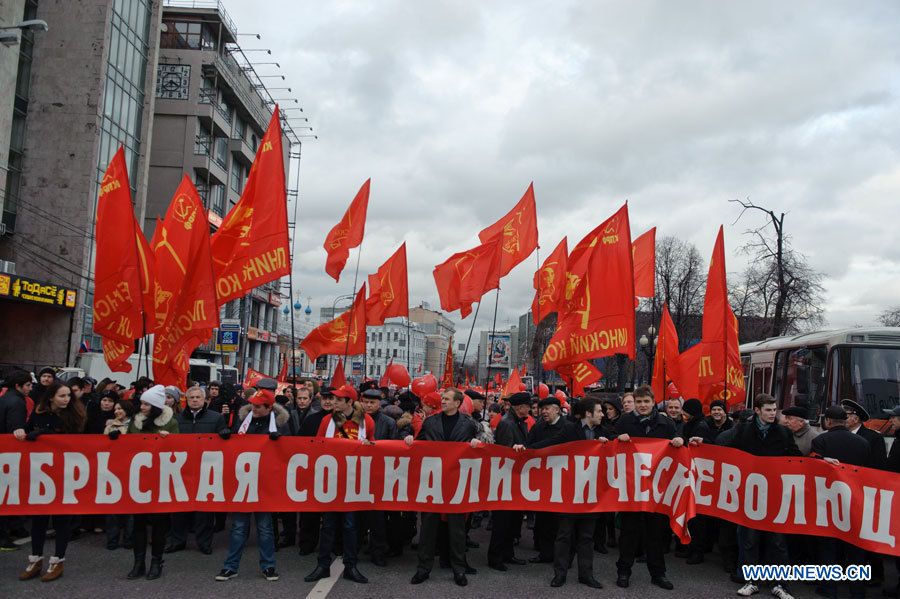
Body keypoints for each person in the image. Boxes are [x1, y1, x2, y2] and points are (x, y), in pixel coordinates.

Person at [615, 385, 693, 591]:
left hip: (657, 491)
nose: (642, 406)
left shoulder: (666, 423)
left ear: (653, 402)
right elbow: (609, 448)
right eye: (638, 402)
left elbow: (679, 441)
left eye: (646, 402)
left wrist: (680, 440)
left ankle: (658, 573)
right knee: (629, 533)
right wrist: (617, 439)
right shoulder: (624, 421)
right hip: (632, 489)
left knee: (656, 534)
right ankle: (623, 571)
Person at [407, 388, 482, 587]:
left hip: (457, 482)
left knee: (457, 529)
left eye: (447, 399)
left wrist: (477, 443)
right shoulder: (431, 422)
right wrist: (410, 441)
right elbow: (420, 444)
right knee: (428, 527)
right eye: (442, 398)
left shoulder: (469, 424)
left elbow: (482, 445)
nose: (443, 401)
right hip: (433, 482)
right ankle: (423, 568)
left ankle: (459, 569)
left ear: (457, 403)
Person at [727, 394, 799, 599]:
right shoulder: (743, 431)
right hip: (750, 494)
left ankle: (780, 584)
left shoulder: (784, 433)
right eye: (768, 410)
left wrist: (821, 461)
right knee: (749, 540)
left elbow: (795, 458)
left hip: (776, 495)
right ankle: (751, 581)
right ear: (757, 410)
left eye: (774, 409)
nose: (772, 413)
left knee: (778, 542)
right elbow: (728, 455)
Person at [215, 386, 289, 583]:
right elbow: (233, 441)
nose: (254, 409)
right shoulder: (243, 420)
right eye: (253, 405)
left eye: (258, 406)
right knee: (239, 527)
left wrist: (281, 441)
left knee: (265, 528)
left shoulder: (280, 425)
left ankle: (268, 566)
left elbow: (290, 452)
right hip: (244, 483)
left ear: (269, 408)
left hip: (266, 484)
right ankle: (230, 567)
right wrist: (225, 434)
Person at [13, 381, 85, 582]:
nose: (67, 399)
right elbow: (26, 432)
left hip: (65, 474)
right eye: (62, 396)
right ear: (51, 397)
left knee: (61, 520)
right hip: (41, 474)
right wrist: (20, 431)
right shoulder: (38, 413)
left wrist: (44, 435)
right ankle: (35, 560)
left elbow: (76, 441)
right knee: (39, 520)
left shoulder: (74, 416)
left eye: (68, 396)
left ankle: (58, 561)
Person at [305, 385, 374, 584]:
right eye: (333, 399)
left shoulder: (365, 421)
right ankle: (323, 566)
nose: (333, 402)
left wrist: (370, 446)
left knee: (351, 526)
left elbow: (374, 445)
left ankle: (351, 566)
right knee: (328, 525)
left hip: (353, 481)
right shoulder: (327, 420)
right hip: (331, 480)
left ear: (349, 402)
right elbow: (317, 445)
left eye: (338, 399)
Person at [809, 406, 871, 599]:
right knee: (855, 549)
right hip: (855, 501)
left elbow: (812, 469)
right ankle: (857, 590)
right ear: (845, 421)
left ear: (827, 421)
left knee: (828, 547)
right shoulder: (863, 443)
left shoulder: (820, 440)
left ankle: (829, 588)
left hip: (827, 501)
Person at [548, 396, 607, 589]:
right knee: (564, 535)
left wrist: (616, 441)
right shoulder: (569, 429)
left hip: (591, 495)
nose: (602, 414)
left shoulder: (604, 432)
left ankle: (586, 575)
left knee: (587, 537)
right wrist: (526, 450)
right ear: (588, 413)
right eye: (599, 411)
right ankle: (560, 574)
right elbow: (551, 445)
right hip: (570, 493)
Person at [126, 385, 179, 580]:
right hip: (139, 479)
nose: (142, 407)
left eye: (146, 404)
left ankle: (156, 561)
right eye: (141, 403)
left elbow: (179, 450)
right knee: (138, 524)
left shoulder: (171, 423)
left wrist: (169, 440)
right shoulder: (136, 422)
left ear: (156, 406)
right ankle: (138, 562)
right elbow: (127, 444)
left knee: (159, 525)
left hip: (161, 480)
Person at [166, 385, 227, 555]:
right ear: (187, 399)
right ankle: (178, 540)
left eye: (197, 398)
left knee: (204, 511)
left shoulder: (216, 418)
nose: (194, 400)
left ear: (205, 400)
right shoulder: (176, 419)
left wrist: (224, 433)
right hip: (182, 469)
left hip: (205, 469)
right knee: (179, 509)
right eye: (191, 397)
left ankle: (204, 542)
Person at [841, 398, 888, 586]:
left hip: (865, 491)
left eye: (847, 415)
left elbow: (878, 466)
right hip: (846, 490)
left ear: (856, 418)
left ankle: (875, 573)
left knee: (868, 534)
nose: (844, 418)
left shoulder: (873, 437)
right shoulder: (842, 435)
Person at [488, 392, 532, 571]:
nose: (529, 408)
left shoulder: (518, 422)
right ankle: (495, 557)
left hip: (515, 479)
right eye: (527, 405)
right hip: (507, 480)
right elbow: (504, 453)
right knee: (502, 522)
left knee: (512, 521)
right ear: (518, 407)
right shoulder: (507, 423)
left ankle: (508, 554)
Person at [359, 387, 398, 567]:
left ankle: (378, 552)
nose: (368, 405)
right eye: (365, 402)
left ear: (379, 404)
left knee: (378, 518)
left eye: (372, 402)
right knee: (357, 515)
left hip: (379, 475)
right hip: (357, 473)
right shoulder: (355, 420)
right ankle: (356, 548)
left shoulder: (389, 423)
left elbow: (393, 448)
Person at [0, 370, 31, 551]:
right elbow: (15, 429)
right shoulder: (17, 402)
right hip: (9, 454)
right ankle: (4, 536)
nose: (30, 388)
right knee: (8, 496)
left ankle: (12, 528)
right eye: (27, 385)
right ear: (18, 386)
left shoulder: (4, 398)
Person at [679, 398, 712, 564]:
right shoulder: (693, 424)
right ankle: (692, 548)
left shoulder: (700, 427)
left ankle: (697, 551)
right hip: (692, 473)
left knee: (697, 518)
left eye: (685, 411)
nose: (683, 414)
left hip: (699, 475)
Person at [103, 399, 136, 550]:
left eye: (120, 409)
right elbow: (103, 446)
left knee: (130, 508)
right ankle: (112, 539)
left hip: (132, 469)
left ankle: (129, 539)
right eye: (115, 409)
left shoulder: (136, 425)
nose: (117, 411)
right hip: (114, 470)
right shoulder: (110, 426)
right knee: (113, 508)